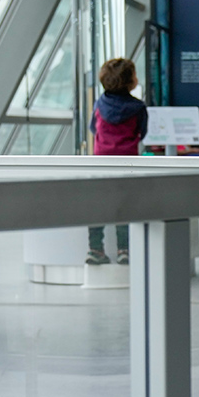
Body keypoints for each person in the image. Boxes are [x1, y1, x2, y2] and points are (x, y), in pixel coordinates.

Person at [87, 57, 146, 266]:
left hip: (101, 162)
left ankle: (95, 249)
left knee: (97, 205)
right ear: (131, 82)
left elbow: (93, 128)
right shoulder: (138, 107)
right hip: (128, 164)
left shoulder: (99, 104)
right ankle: (124, 250)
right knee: (124, 205)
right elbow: (143, 132)